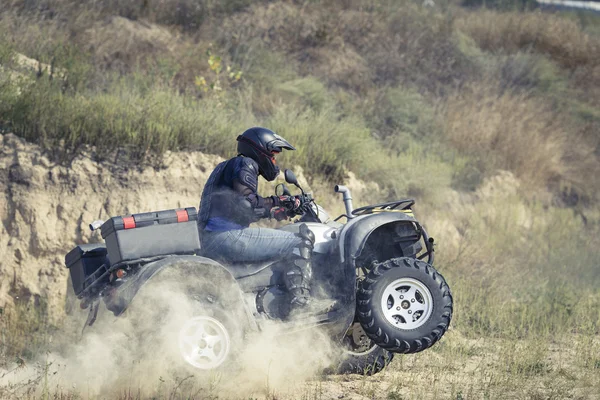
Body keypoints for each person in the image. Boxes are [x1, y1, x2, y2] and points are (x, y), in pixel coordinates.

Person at [198, 127, 314, 309]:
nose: (274, 161)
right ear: (261, 150)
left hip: (212, 238)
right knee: (298, 242)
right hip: (225, 236)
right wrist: (280, 200)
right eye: (273, 155)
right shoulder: (246, 164)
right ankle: (302, 305)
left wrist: (276, 211)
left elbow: (238, 209)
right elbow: (247, 203)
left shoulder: (228, 165)